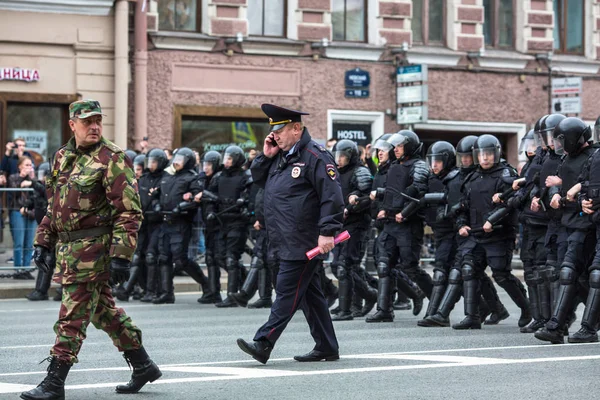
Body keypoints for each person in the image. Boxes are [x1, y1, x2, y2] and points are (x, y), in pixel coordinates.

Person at [21, 100, 161, 400]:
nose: (95, 126)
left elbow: (129, 212)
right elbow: (54, 205)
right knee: (104, 313)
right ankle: (143, 364)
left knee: (71, 316)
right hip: (69, 251)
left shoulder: (112, 157)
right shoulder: (62, 156)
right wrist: (43, 241)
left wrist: (121, 256)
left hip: (95, 253)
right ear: (73, 124)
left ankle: (54, 382)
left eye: (98, 120)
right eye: (87, 121)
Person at [237, 104, 344, 364]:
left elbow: (332, 196)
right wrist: (265, 155)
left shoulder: (315, 156)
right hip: (282, 238)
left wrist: (328, 232)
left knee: (286, 292)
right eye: (272, 131)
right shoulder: (280, 155)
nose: (275, 136)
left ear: (296, 129)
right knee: (310, 295)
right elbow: (259, 179)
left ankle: (264, 342)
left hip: (303, 241)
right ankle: (327, 346)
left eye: (280, 130)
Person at [454, 134, 531, 330]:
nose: (485, 158)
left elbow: (511, 204)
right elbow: (463, 207)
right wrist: (462, 225)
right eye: (481, 155)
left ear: (496, 154)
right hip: (476, 235)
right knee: (469, 270)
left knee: (501, 275)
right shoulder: (471, 178)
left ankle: (527, 308)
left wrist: (492, 220)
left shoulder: (506, 175)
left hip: (499, 234)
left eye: (489, 154)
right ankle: (472, 316)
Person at [535, 117, 597, 344]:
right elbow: (557, 186)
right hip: (569, 223)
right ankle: (559, 326)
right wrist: (555, 197)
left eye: (562, 140)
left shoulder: (593, 157)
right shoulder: (566, 159)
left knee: (580, 275)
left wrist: (566, 196)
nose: (559, 145)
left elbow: (586, 187)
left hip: (588, 224)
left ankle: (572, 325)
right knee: (569, 274)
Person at [366, 130, 430, 323]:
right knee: (384, 265)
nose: (396, 150)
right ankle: (384, 310)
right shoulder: (394, 166)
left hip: (409, 224)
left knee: (410, 267)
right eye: (395, 146)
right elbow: (393, 192)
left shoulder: (419, 166)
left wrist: (405, 213)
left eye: (400, 146)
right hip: (391, 222)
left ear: (409, 146)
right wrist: (385, 209)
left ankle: (437, 303)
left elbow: (419, 194)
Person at [152, 147, 209, 304]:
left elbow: (196, 199)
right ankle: (166, 293)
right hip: (165, 221)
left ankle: (206, 284)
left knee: (180, 259)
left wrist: (182, 207)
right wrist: (156, 204)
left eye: (181, 159)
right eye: (176, 158)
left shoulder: (192, 178)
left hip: (181, 223)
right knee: (163, 257)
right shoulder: (167, 176)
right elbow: (156, 194)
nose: (177, 161)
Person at [330, 139, 376, 321]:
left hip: (356, 226)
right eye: (337, 155)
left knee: (345, 266)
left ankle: (346, 308)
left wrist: (352, 205)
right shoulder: (335, 173)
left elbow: (368, 198)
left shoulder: (361, 171)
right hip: (341, 225)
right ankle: (366, 296)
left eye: (342, 156)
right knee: (338, 266)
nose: (339, 159)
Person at [206, 145, 252, 308]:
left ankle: (232, 296)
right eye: (225, 158)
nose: (226, 161)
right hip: (221, 222)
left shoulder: (246, 176)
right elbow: (210, 198)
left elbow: (251, 197)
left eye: (230, 159)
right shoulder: (218, 177)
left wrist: (244, 203)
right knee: (219, 257)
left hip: (237, 222)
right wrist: (210, 212)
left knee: (232, 259)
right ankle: (244, 276)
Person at [25, 162, 54, 301]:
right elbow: (36, 198)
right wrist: (27, 204)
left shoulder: (53, 186)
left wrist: (34, 184)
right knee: (45, 258)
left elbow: (48, 196)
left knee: (51, 259)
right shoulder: (40, 186)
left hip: (54, 228)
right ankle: (41, 290)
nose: (43, 178)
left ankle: (44, 290)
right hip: (44, 227)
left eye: (45, 175)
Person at [8, 156, 37, 280]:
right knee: (19, 243)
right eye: (26, 165)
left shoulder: (33, 179)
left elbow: (38, 196)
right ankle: (18, 270)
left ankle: (26, 269)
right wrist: (21, 177)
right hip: (17, 211)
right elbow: (13, 194)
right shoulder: (13, 177)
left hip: (31, 213)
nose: (29, 167)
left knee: (29, 244)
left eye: (30, 165)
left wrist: (31, 180)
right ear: (20, 166)